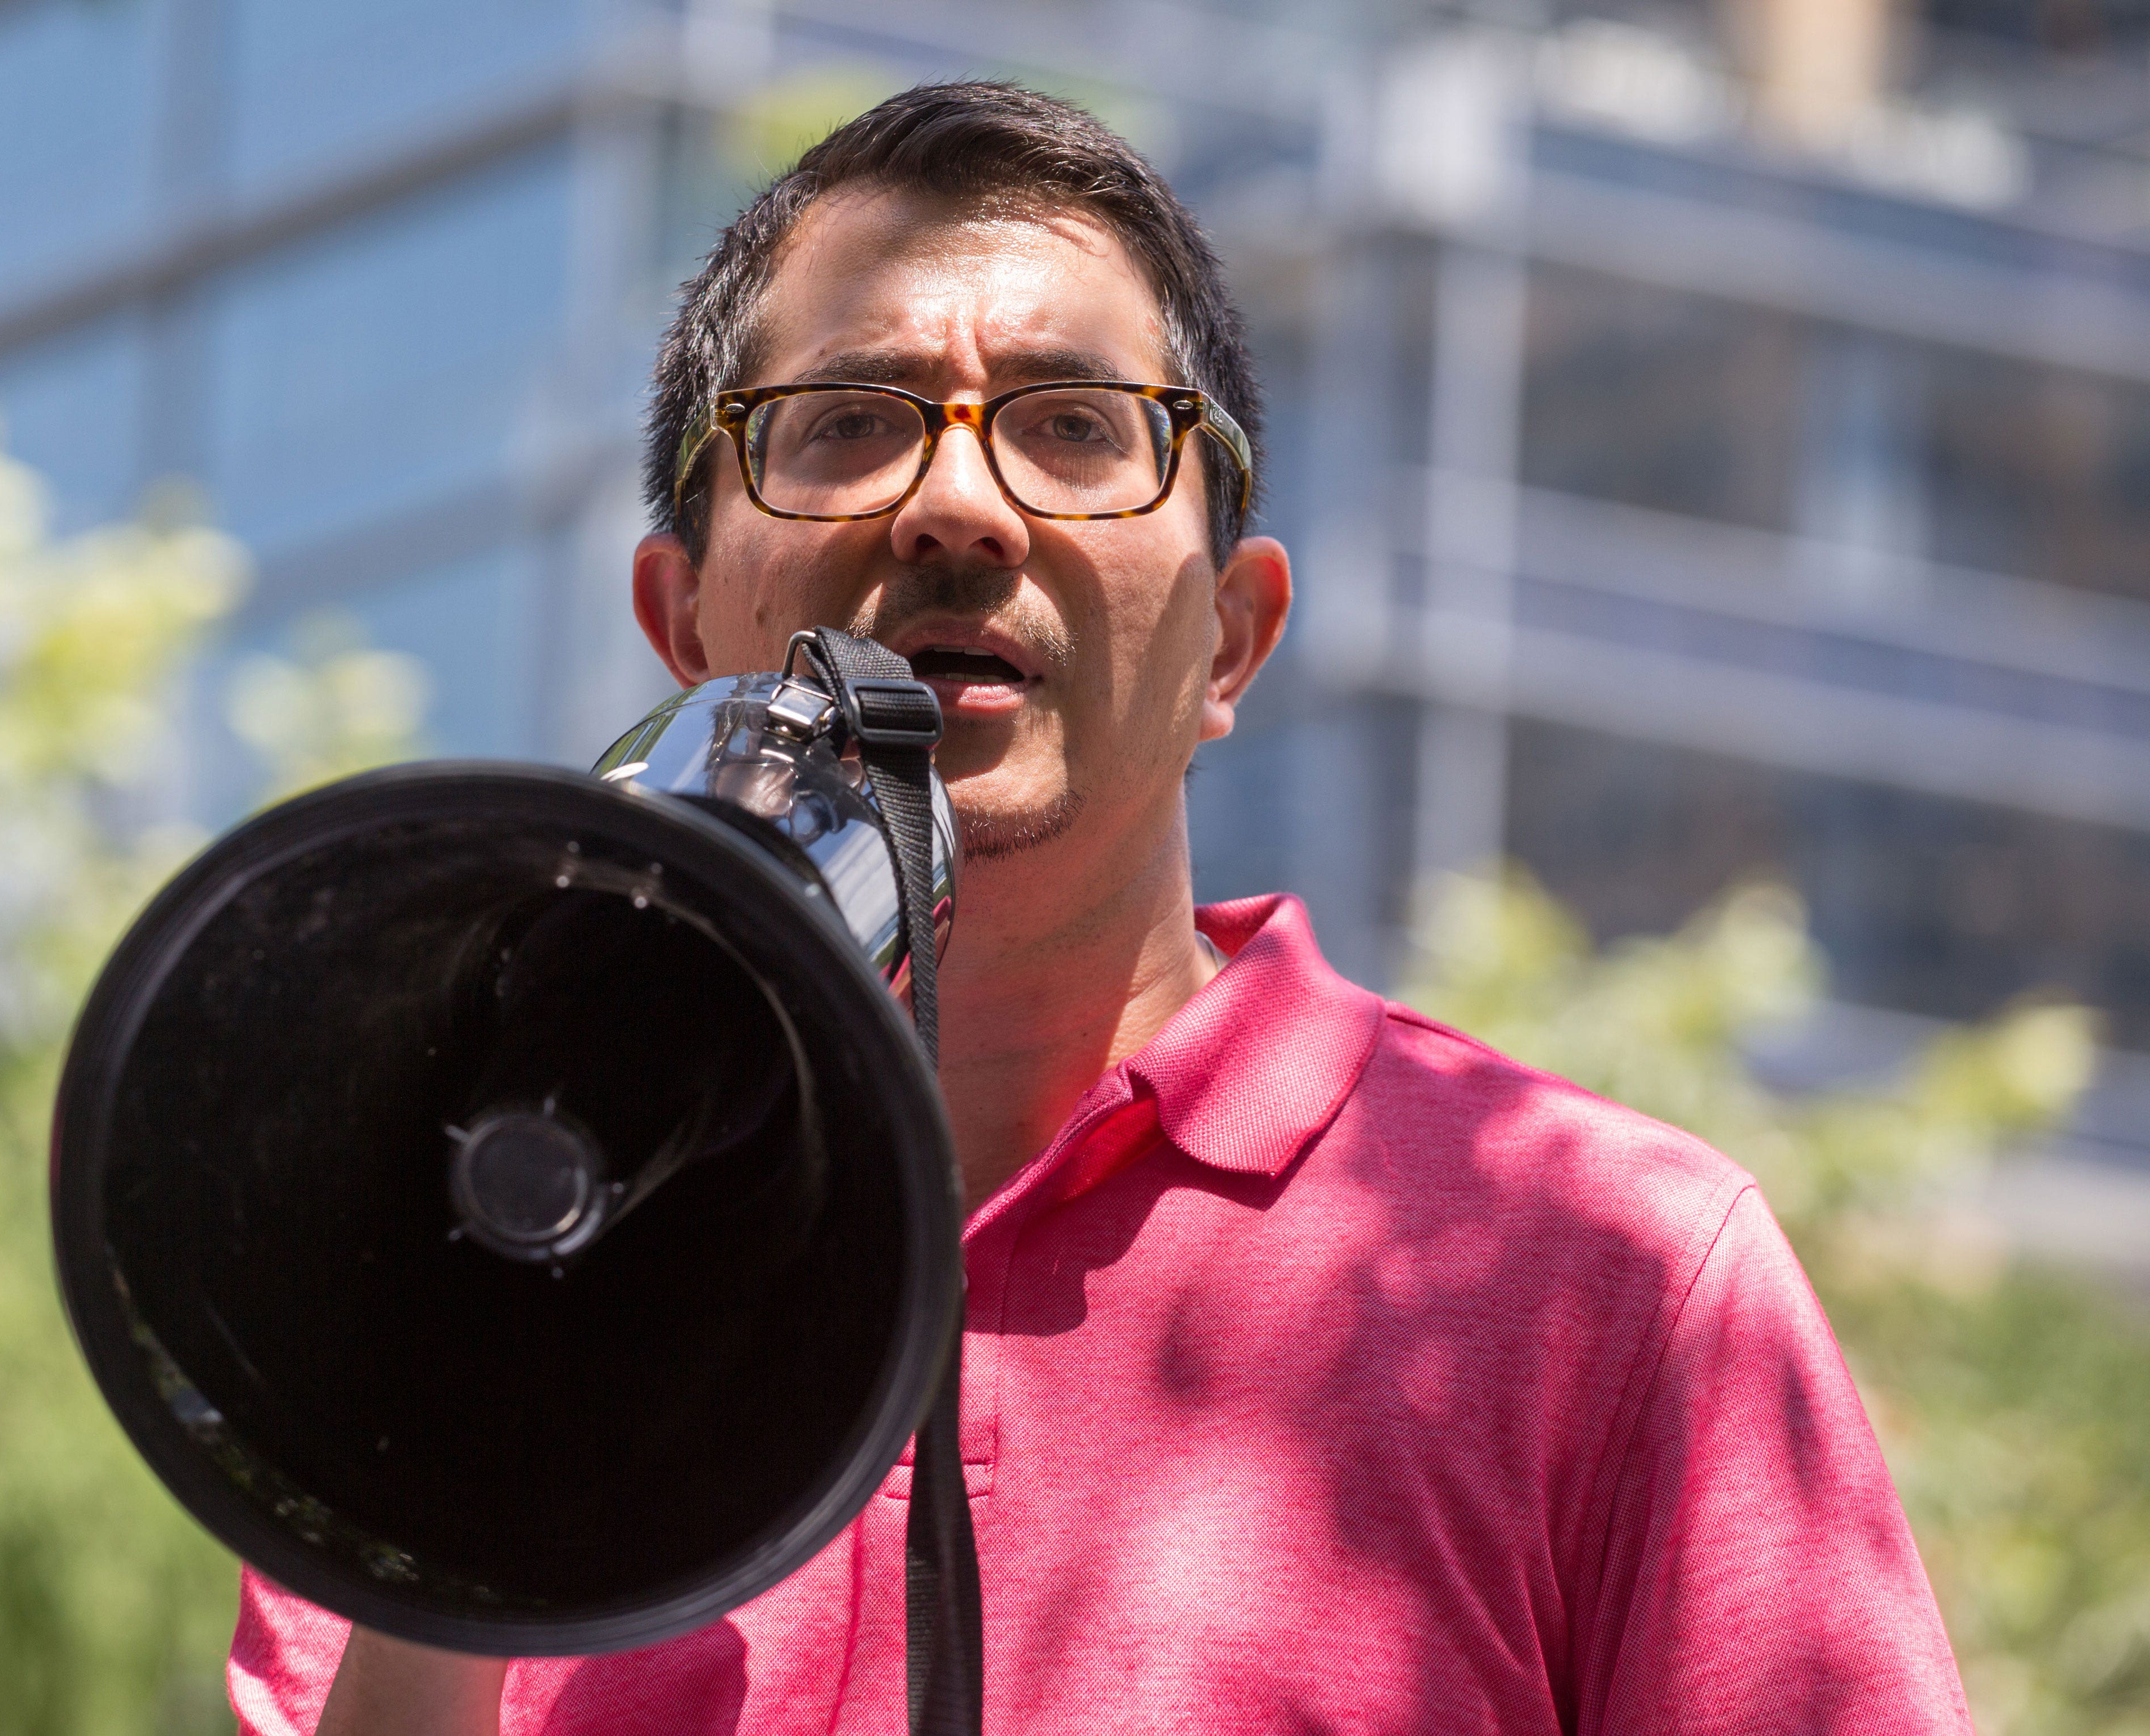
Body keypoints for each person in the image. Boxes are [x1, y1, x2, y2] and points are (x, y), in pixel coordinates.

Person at [232, 81, 1971, 1735]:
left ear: (1232, 639)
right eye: (845, 424)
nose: (957, 508)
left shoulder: (1621, 1276)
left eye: (1075, 427)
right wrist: (449, 1433)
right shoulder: (458, 1229)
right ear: (680, 618)